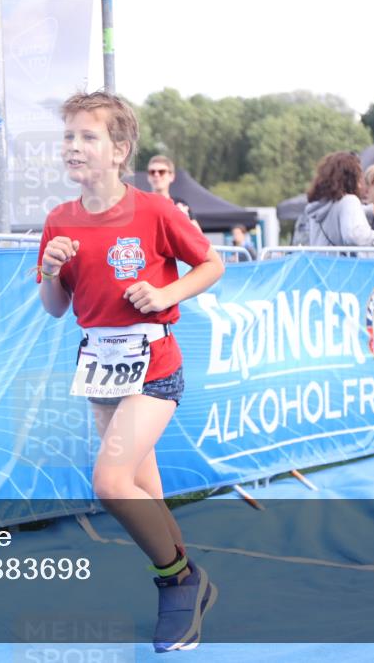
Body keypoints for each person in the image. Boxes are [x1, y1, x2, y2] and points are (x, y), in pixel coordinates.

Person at [37, 91, 224, 653]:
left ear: (119, 150)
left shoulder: (154, 210)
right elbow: (55, 306)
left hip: (155, 365)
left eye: (87, 137)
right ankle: (190, 579)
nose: (74, 146)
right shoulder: (59, 219)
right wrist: (50, 272)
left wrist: (165, 290)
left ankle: (177, 581)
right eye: (69, 135)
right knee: (143, 487)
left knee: (111, 482)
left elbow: (212, 263)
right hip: (99, 368)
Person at [303, 152, 374, 257]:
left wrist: (369, 210)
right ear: (352, 177)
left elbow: (339, 214)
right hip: (347, 269)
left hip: (321, 267)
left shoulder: (320, 204)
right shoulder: (349, 200)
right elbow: (355, 235)